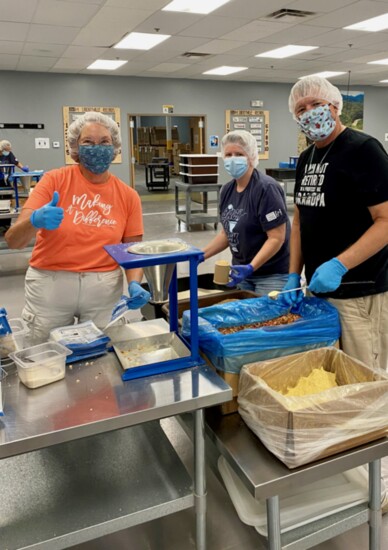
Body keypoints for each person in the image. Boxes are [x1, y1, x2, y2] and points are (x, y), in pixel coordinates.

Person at [5, 111, 150, 344]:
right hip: (51, 285)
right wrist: (34, 222)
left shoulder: (128, 195)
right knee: (44, 353)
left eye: (105, 142)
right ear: (75, 148)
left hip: (103, 287)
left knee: (105, 355)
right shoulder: (54, 181)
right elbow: (14, 240)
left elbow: (131, 250)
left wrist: (134, 282)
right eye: (88, 142)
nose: (97, 148)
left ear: (114, 148)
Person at [281, 75, 388, 372]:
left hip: (359, 292)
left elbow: (385, 221)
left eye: (316, 103)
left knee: (364, 374)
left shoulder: (364, 150)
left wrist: (340, 264)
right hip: (319, 292)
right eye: (301, 109)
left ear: (335, 107)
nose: (309, 112)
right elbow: (300, 220)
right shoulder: (306, 158)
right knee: (331, 372)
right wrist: (293, 274)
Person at [203, 130, 290, 295]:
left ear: (251, 156)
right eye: (228, 154)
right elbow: (227, 233)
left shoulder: (266, 189)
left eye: (239, 154)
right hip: (241, 272)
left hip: (271, 274)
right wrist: (201, 255)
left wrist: (251, 267)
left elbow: (276, 238)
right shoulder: (227, 190)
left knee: (265, 318)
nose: (233, 159)